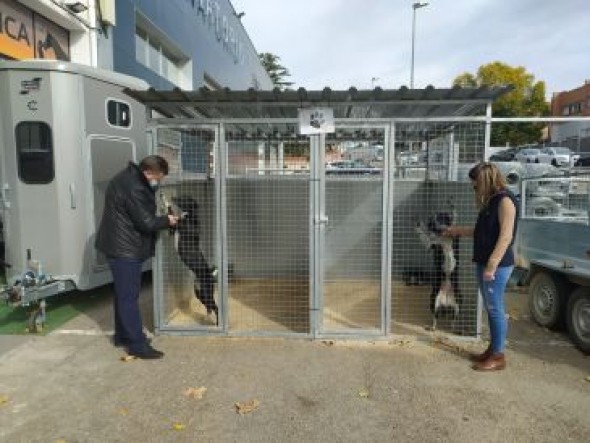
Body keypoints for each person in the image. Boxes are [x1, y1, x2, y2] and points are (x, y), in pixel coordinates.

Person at [95, 155, 178, 359]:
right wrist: (168, 220)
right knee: (129, 297)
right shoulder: (134, 187)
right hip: (125, 249)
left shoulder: (128, 178)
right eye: (159, 177)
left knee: (123, 295)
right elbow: (147, 223)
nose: (160, 181)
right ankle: (137, 345)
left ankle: (123, 336)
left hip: (119, 245)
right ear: (149, 172)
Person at [444, 162, 518, 371]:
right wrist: (456, 230)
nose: (474, 189)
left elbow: (505, 237)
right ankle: (492, 349)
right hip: (484, 262)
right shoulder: (492, 201)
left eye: (475, 185)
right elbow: (482, 232)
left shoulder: (505, 201)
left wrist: (491, 265)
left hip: (497, 266)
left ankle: (498, 356)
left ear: (485, 181)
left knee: (495, 309)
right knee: (490, 307)